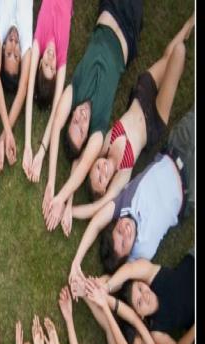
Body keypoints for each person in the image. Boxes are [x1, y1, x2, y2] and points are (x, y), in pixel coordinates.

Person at [72, 15, 194, 222]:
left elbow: (78, 163)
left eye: (96, 169)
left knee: (168, 58)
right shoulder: (121, 177)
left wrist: (66, 203)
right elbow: (97, 207)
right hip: (154, 119)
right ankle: (185, 36)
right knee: (178, 55)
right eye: (102, 179)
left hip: (141, 94)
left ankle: (189, 25)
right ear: (106, 187)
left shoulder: (105, 144)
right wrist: (74, 213)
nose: (102, 170)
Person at [42, 0, 143, 235]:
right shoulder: (98, 129)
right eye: (81, 128)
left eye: (74, 121)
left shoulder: (74, 90)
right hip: (127, 35)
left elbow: (57, 126)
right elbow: (83, 165)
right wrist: (62, 199)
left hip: (110, 10)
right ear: (88, 136)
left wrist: (50, 182)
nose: (81, 118)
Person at [68, 107, 195, 282]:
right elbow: (116, 279)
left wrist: (76, 261)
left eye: (118, 230)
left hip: (178, 146)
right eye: (123, 243)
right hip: (191, 189)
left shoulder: (123, 205)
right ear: (127, 256)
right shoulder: (140, 255)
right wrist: (99, 285)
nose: (125, 231)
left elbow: (96, 224)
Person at [103, 251, 195, 344]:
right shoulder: (157, 331)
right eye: (139, 302)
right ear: (139, 315)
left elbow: (130, 269)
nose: (145, 296)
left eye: (140, 288)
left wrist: (106, 287)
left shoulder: (153, 275)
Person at [23, 0, 74, 184]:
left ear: (38, 64)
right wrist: (41, 152)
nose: (50, 60)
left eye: (45, 64)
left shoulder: (40, 40)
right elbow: (55, 113)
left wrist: (28, 145)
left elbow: (29, 95)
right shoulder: (61, 56)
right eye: (51, 69)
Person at [0, 0, 33, 170]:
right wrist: (3, 137)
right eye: (17, 55)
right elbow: (23, 89)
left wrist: (5, 134)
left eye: (9, 53)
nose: (14, 44)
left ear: (3, 48)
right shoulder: (26, 40)